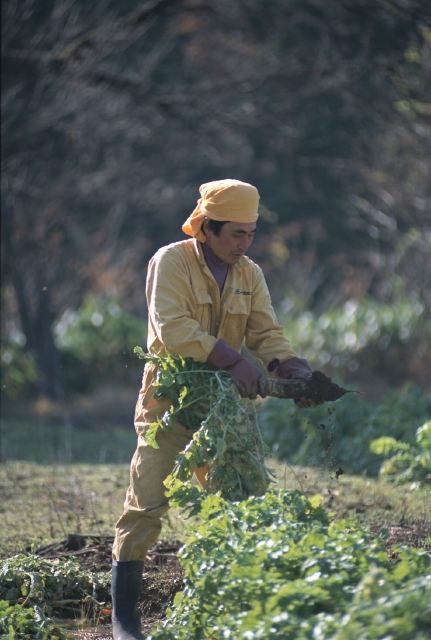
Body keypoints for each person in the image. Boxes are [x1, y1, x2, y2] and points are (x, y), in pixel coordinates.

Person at [111, 179, 318, 640]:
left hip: (223, 408)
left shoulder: (250, 273)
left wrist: (295, 370)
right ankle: (124, 620)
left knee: (240, 501)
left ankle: (232, 607)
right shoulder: (170, 261)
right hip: (169, 402)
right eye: (236, 235)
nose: (244, 244)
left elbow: (266, 334)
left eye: (250, 234)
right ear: (207, 228)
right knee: (146, 505)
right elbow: (174, 329)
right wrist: (234, 359)